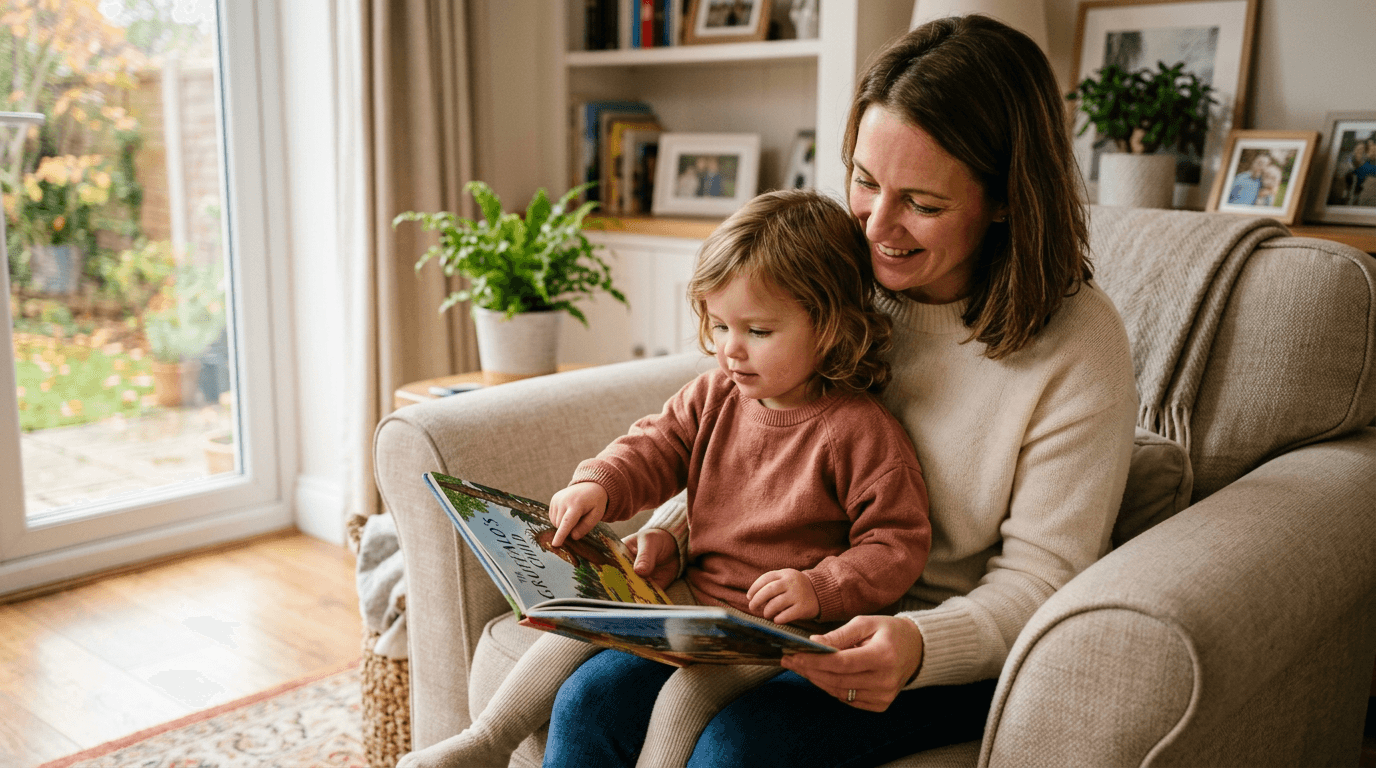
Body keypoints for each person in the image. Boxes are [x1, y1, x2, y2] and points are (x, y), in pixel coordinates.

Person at [545, 14, 1137, 768]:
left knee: (734, 747)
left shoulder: (1077, 343)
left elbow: (1043, 578)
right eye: (864, 181)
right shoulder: (840, 276)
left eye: (922, 203)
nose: (878, 227)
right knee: (593, 700)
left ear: (1006, 200)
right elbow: (745, 433)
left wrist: (921, 645)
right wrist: (675, 535)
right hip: (776, 606)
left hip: (934, 636)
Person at [397, 188, 933, 768]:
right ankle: (486, 741)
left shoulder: (860, 431)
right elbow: (654, 445)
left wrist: (820, 586)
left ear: (829, 326)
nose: (731, 350)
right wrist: (598, 483)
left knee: (683, 699)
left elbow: (896, 543)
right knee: (584, 629)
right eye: (720, 324)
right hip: (690, 599)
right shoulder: (715, 394)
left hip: (776, 632)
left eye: (758, 331)